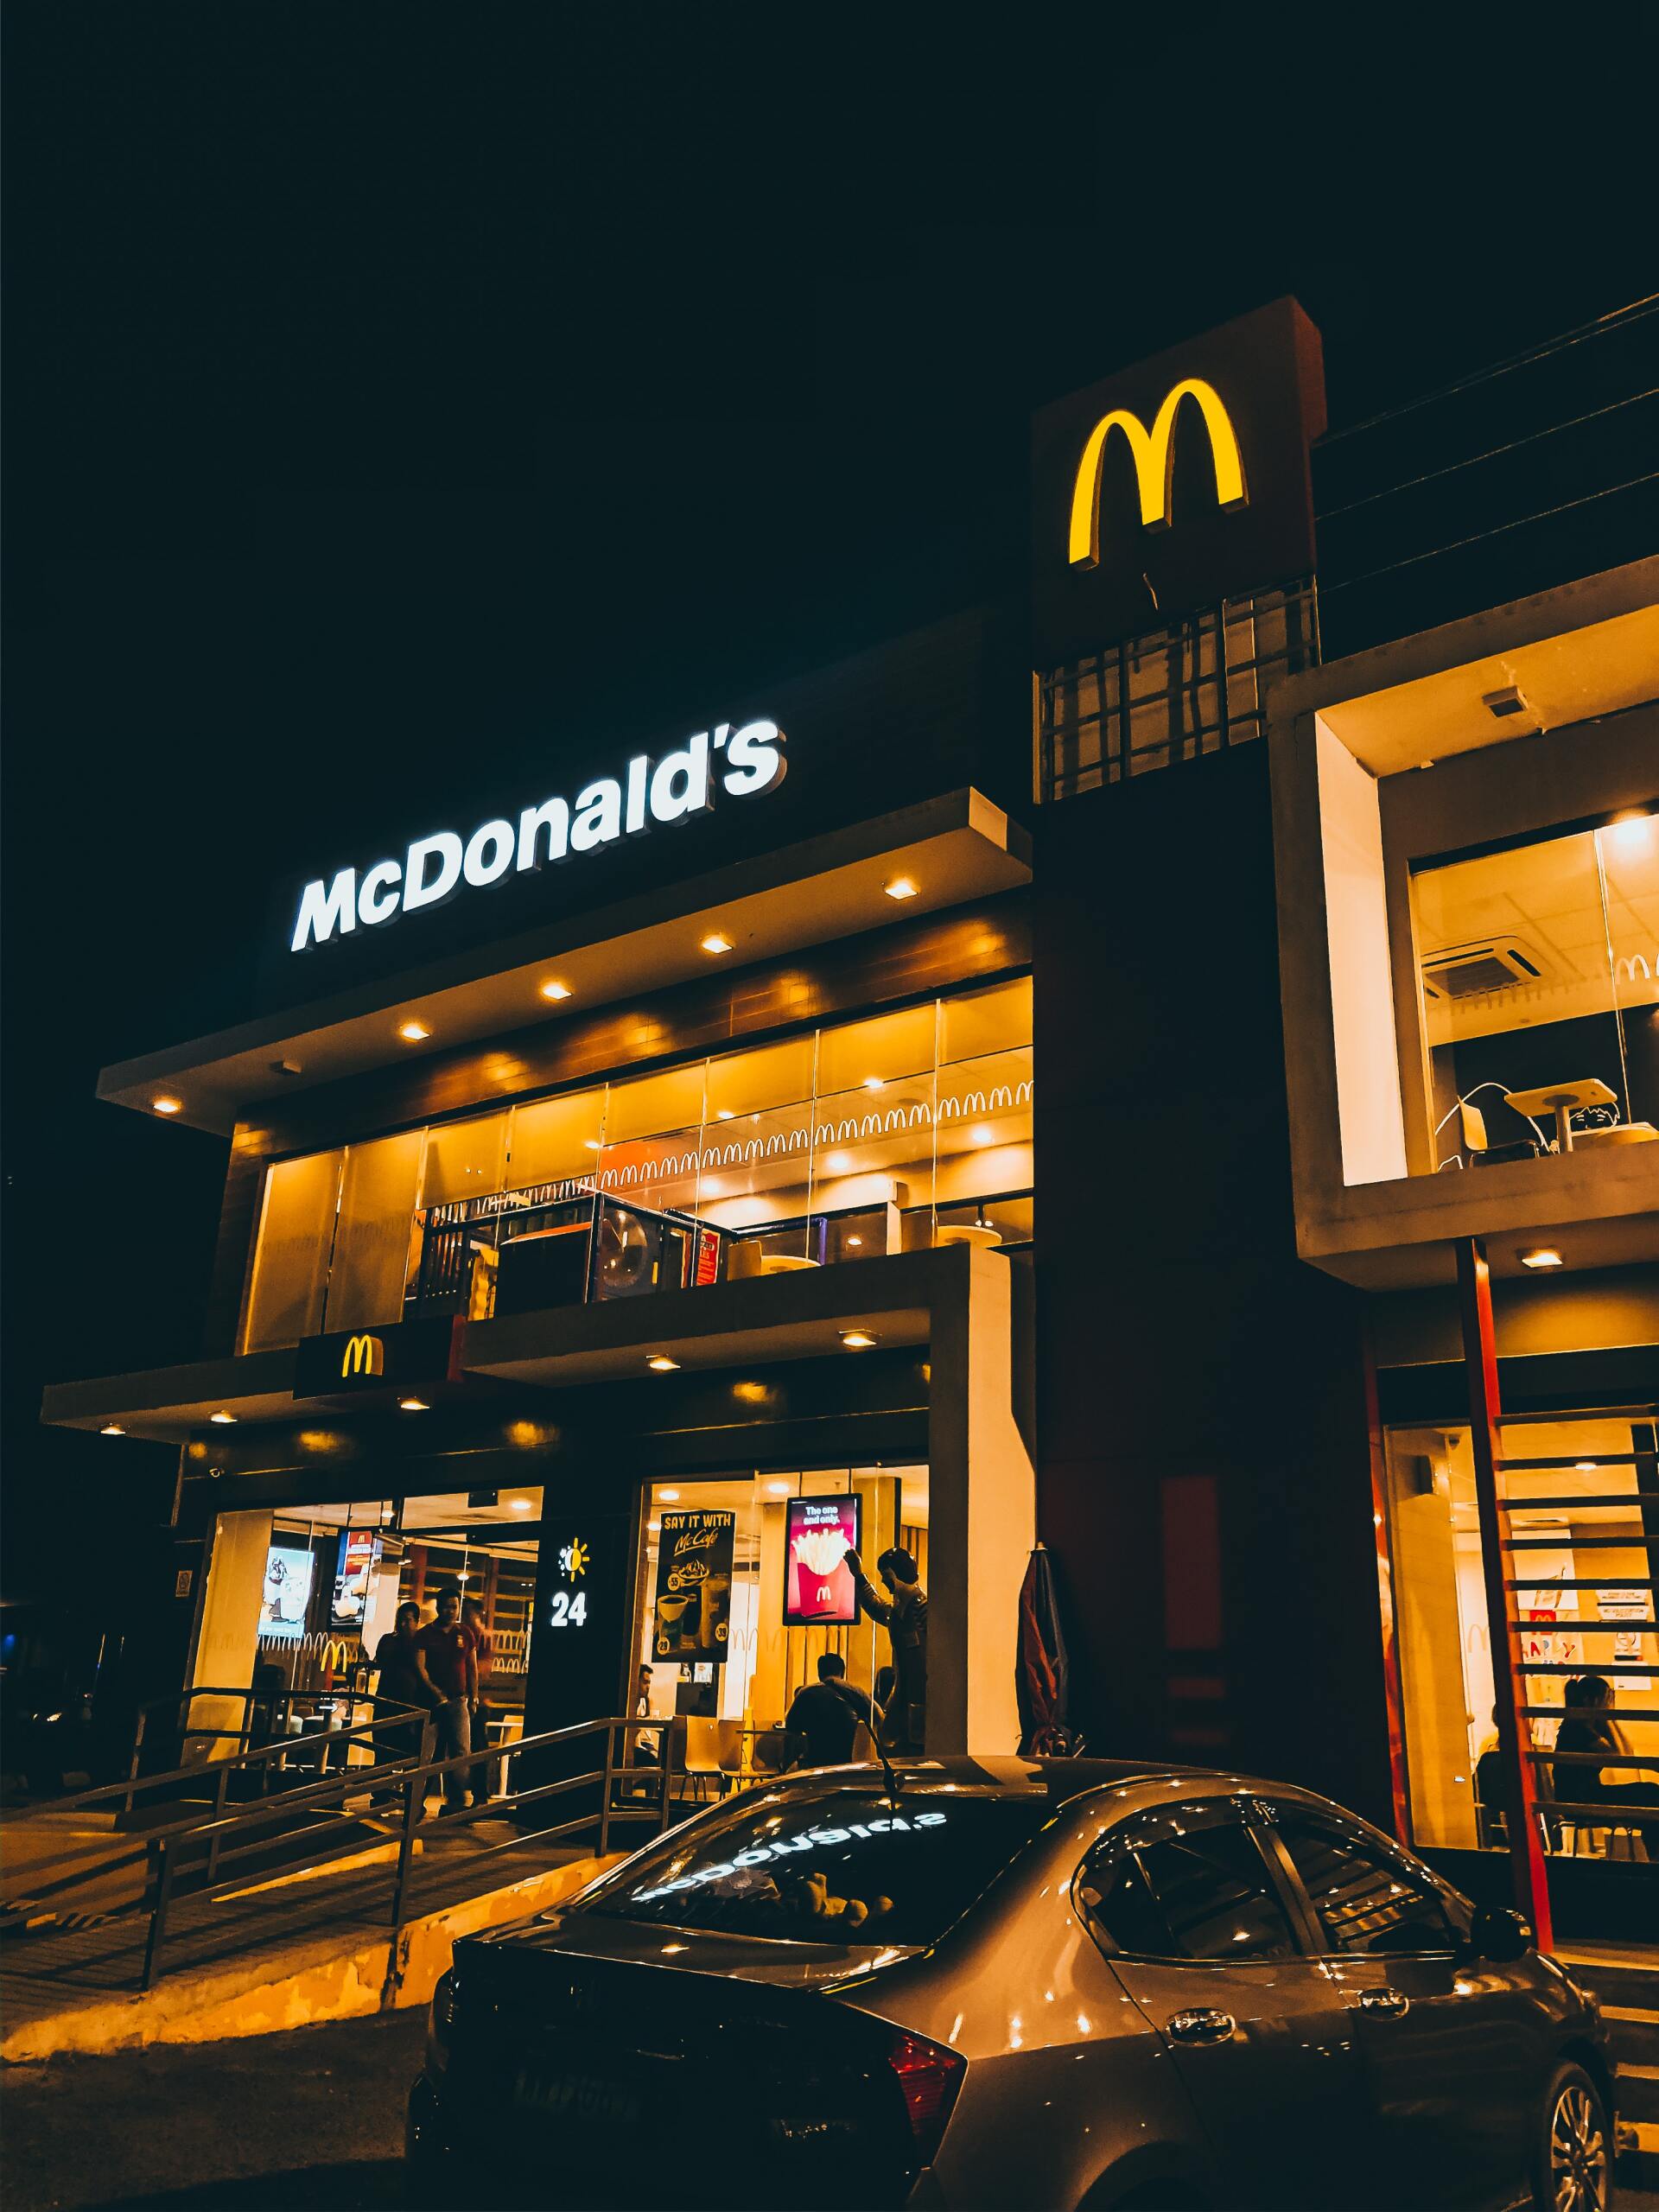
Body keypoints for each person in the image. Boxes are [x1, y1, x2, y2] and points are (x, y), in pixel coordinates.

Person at [1553, 1674, 1659, 1853]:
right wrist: (1609, 1716)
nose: (1609, 1703)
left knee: (1650, 1797)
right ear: (1590, 1701)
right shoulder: (1577, 1728)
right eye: (1607, 1698)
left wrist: (1608, 1716)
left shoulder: (1586, 1727)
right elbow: (1618, 1756)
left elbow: (1627, 1751)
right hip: (1581, 1800)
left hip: (1587, 1795)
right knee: (1650, 1794)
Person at [847, 1548, 928, 1754]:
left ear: (895, 1575)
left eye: (885, 1576)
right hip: (906, 1696)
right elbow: (876, 1606)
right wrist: (859, 1575)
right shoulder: (901, 1612)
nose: (884, 1582)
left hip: (920, 1700)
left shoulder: (921, 1609)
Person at [415, 1590, 477, 1810]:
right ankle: (416, 1802)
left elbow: (471, 1666)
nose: (451, 1611)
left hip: (459, 1701)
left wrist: (474, 1696)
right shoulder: (425, 1635)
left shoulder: (465, 1633)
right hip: (430, 1704)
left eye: (454, 1606)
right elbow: (420, 1668)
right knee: (428, 1754)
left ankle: (457, 1802)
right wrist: (434, 1692)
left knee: (461, 1752)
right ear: (438, 1607)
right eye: (447, 1606)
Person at [785, 1652, 876, 1768]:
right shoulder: (856, 1692)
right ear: (842, 1672)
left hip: (813, 1762)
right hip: (846, 1763)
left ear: (819, 1673)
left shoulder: (806, 1693)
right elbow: (879, 1717)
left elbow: (791, 1727)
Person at [461, 1596, 496, 1798]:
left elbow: (482, 1670)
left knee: (477, 1746)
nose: (464, 1617)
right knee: (468, 1746)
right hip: (467, 1699)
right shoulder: (464, 1635)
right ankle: (468, 1793)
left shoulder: (483, 1637)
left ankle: (480, 1793)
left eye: (468, 1613)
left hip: (478, 1702)